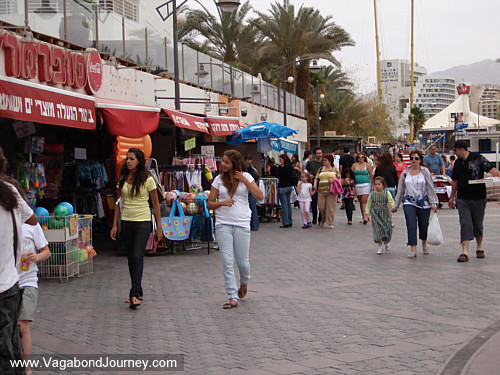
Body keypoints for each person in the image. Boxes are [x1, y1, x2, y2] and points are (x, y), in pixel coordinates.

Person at [207, 150, 263, 309]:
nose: (223, 164)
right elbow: (209, 203)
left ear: (235, 163)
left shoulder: (248, 177)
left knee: (242, 263)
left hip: (242, 223)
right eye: (222, 161)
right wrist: (221, 203)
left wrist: (244, 180)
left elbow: (260, 196)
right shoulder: (218, 180)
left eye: (226, 162)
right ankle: (232, 296)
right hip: (223, 223)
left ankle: (244, 282)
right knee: (226, 261)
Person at [110, 148, 163, 308]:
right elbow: (119, 202)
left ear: (139, 161)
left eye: (131, 159)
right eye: (127, 159)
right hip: (126, 221)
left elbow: (155, 204)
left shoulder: (148, 179)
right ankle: (137, 290)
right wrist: (114, 224)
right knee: (130, 257)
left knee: (137, 255)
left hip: (143, 222)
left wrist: (159, 227)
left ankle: (134, 293)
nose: (128, 161)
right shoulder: (123, 178)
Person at [0, 179, 38, 375]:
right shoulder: (10, 190)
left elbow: (33, 222)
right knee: (12, 341)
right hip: (11, 282)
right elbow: (33, 218)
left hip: (7, 284)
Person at [448, 140, 500, 262]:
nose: (454, 153)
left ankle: (479, 247)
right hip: (462, 198)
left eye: (455, 150)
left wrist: (498, 176)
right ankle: (464, 252)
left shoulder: (478, 158)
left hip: (479, 197)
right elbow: (454, 181)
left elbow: (492, 170)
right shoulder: (458, 163)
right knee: (465, 223)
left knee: (477, 223)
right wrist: (452, 197)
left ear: (461, 149)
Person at [17, 222, 50, 375]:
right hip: (5, 282)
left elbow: (46, 252)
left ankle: (26, 369)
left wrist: (36, 257)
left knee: (22, 325)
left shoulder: (31, 224)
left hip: (27, 281)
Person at [392, 150, 439, 259]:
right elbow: (401, 189)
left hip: (424, 202)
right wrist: (396, 205)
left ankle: (424, 243)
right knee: (411, 224)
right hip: (409, 201)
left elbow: (430, 187)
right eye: (412, 158)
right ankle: (413, 249)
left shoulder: (425, 172)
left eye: (416, 158)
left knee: (423, 225)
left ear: (420, 160)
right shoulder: (405, 172)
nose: (413, 160)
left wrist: (433, 203)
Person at [365, 176, 395, 255]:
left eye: (379, 184)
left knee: (386, 229)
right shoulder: (372, 194)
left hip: (385, 214)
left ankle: (386, 241)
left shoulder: (386, 193)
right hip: (375, 215)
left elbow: (391, 201)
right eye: (376, 184)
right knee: (377, 230)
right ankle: (380, 246)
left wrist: (394, 207)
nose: (377, 186)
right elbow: (368, 204)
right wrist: (367, 213)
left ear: (383, 185)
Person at [314, 154, 340, 229]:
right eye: (323, 160)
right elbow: (316, 177)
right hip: (321, 190)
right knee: (321, 207)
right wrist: (315, 184)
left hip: (331, 191)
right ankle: (323, 218)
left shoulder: (335, 170)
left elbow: (339, 179)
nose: (323, 161)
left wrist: (334, 180)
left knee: (330, 207)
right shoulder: (321, 169)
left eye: (325, 160)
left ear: (330, 161)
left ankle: (330, 222)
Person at [351, 151, 373, 224]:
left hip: (366, 184)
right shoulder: (354, 165)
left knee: (364, 200)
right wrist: (352, 185)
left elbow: (371, 175)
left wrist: (373, 185)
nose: (361, 158)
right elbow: (351, 175)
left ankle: (365, 217)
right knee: (361, 201)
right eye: (359, 157)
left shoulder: (367, 165)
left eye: (362, 157)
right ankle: (363, 215)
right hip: (357, 185)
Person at [275, 154, 295, 228]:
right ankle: (289, 221)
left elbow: (276, 174)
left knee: (284, 206)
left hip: (282, 187)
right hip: (288, 187)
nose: (280, 161)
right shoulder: (290, 167)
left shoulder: (282, 168)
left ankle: (285, 222)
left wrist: (278, 167)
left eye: (280, 160)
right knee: (288, 205)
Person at [305, 147, 323, 225]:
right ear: (315, 154)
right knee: (314, 202)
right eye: (318, 153)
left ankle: (320, 218)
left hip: (322, 185)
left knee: (321, 203)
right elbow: (306, 171)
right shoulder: (310, 163)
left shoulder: (324, 162)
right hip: (313, 185)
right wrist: (309, 175)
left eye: (321, 153)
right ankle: (315, 217)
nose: (320, 155)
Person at [245, 154, 260, 231]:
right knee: (252, 207)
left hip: (250, 189)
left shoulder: (250, 169)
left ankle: (253, 225)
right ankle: (254, 225)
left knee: (252, 207)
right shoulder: (254, 168)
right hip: (252, 188)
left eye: (249, 159)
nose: (248, 161)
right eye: (247, 159)